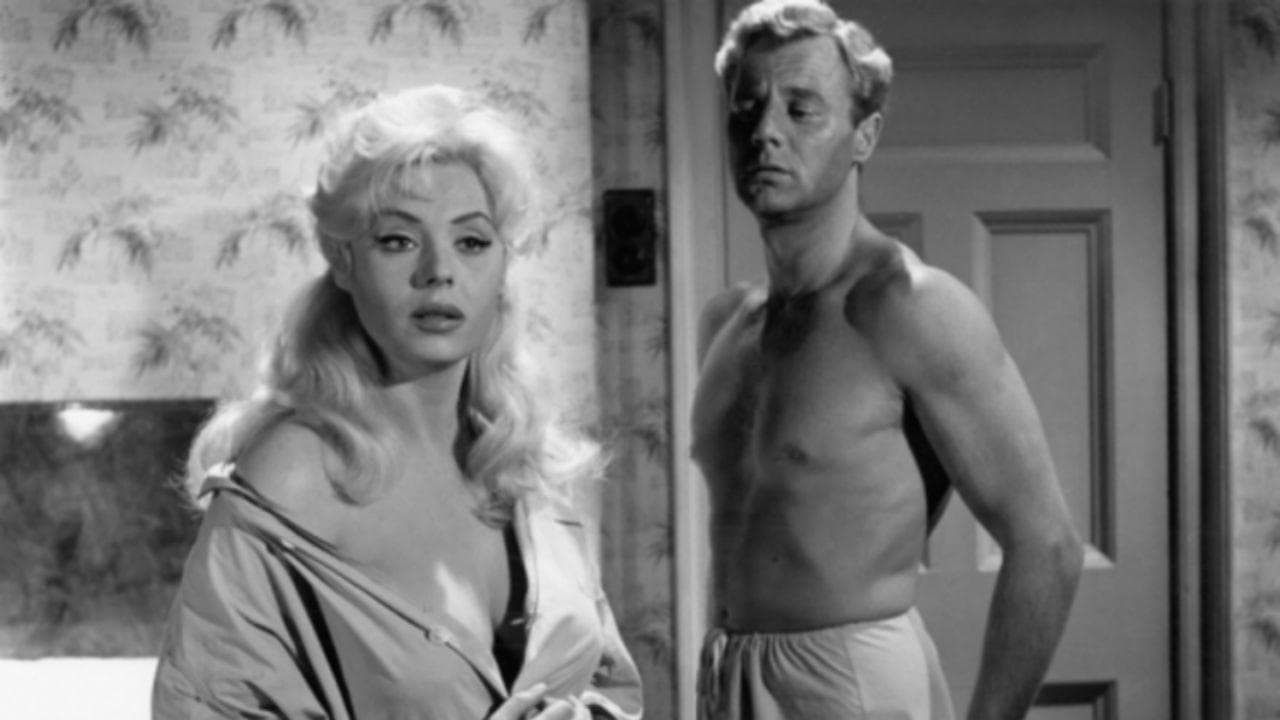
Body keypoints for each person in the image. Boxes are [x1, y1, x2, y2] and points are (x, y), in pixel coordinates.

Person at [151, 85, 642, 720]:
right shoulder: (296, 471)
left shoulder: (522, 465)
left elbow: (610, 685)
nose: (439, 271)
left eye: (471, 242)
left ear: (503, 263)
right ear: (343, 262)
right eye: (398, 241)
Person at [691, 1, 1085, 718]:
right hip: (728, 674)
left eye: (800, 109)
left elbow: (1047, 545)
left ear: (864, 136)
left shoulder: (909, 307)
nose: (765, 131)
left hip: (850, 684)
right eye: (746, 108)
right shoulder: (727, 323)